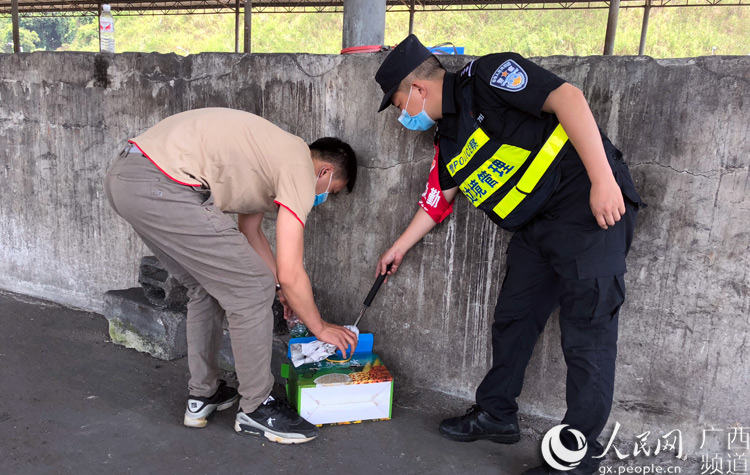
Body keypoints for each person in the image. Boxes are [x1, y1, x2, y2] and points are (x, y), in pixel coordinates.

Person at [373, 35, 644, 474]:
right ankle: (496, 414)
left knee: (587, 334)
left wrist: (603, 181)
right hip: (536, 227)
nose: (404, 114)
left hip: (586, 210)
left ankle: (575, 457)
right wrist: (399, 246)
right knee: (513, 319)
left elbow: (568, 99)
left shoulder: (489, 77)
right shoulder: (447, 135)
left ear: (419, 90)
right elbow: (442, 195)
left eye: (401, 102)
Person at [104, 107, 358, 444]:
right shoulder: (298, 164)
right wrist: (319, 327)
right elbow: (291, 267)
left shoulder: (268, 157)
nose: (325, 197)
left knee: (206, 287)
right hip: (164, 184)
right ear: (324, 171)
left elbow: (251, 232)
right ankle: (256, 408)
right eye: (333, 190)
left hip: (128, 178)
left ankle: (204, 395)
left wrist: (281, 290)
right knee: (252, 289)